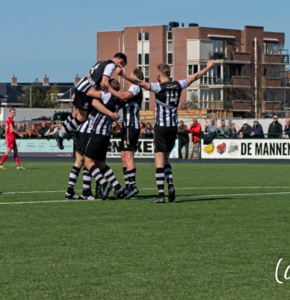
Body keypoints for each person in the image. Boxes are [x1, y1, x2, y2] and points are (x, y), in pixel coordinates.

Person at [123, 61, 214, 203]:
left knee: (159, 162)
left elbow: (139, 82)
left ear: (159, 74)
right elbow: (195, 76)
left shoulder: (158, 87)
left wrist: (122, 75)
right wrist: (207, 68)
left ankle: (161, 195)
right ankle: (170, 185)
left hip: (161, 127)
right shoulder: (178, 84)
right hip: (173, 127)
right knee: (166, 160)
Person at [56, 53, 127, 149]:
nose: (121, 68)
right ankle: (61, 135)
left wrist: (77, 89)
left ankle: (61, 132)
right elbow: (104, 82)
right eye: (123, 66)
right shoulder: (111, 65)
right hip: (86, 91)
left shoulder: (102, 62)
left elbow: (88, 74)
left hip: (80, 86)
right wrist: (111, 92)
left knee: (74, 114)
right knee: (82, 118)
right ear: (120, 61)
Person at [106, 68, 145, 198]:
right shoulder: (131, 89)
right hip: (126, 127)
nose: (127, 78)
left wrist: (109, 89)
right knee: (123, 156)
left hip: (131, 126)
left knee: (128, 155)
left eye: (130, 76)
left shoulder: (135, 87)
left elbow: (123, 96)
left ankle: (132, 187)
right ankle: (128, 186)